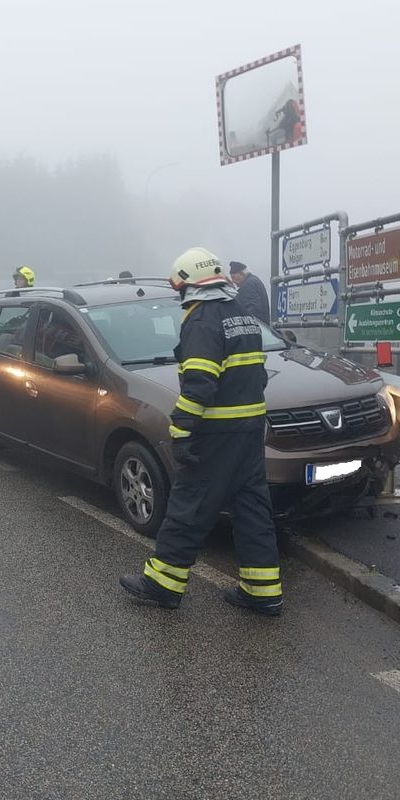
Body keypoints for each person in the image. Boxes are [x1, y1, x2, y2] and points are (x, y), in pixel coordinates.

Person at [119, 246, 282, 616]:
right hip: (250, 430)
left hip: (216, 433)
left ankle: (162, 584)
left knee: (188, 506)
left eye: (179, 289)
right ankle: (263, 591)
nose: (180, 297)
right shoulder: (241, 315)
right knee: (252, 507)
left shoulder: (202, 319)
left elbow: (199, 385)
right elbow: (256, 375)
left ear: (189, 285)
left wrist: (183, 430)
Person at [229, 261, 271, 325]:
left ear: (242, 274)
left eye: (233, 277)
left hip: (256, 326)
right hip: (263, 326)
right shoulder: (254, 281)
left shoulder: (248, 285)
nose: (233, 281)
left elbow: (252, 310)